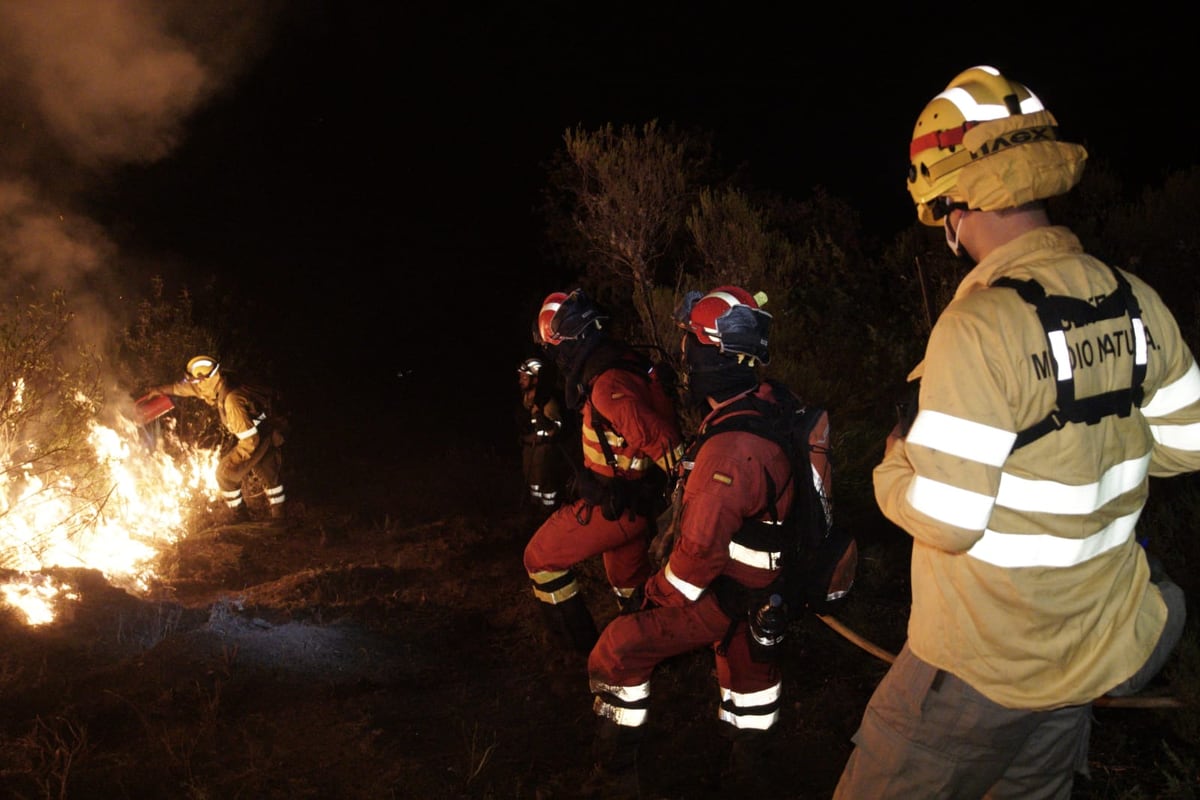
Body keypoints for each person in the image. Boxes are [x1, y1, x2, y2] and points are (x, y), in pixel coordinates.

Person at [834, 65, 1197, 799]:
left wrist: (891, 470)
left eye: (942, 212)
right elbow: (1188, 447)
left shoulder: (977, 327)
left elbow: (951, 519)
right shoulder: (1138, 302)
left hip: (979, 667)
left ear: (958, 200)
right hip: (1084, 656)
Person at [586, 286, 819, 796]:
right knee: (751, 694)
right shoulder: (770, 402)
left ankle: (616, 776)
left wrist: (649, 604)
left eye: (692, 343)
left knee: (618, 649)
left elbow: (695, 562)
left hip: (728, 593)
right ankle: (751, 770)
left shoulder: (730, 452)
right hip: (770, 587)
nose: (686, 356)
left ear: (712, 355)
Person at [523, 288, 684, 657]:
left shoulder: (606, 385)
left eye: (552, 348)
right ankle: (656, 658)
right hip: (632, 504)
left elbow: (665, 444)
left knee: (539, 559)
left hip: (617, 507)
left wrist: (682, 515)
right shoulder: (616, 362)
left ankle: (578, 653)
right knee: (629, 585)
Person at [144, 355, 288, 522]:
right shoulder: (219, 383)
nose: (195, 385)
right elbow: (184, 388)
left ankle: (240, 517)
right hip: (265, 429)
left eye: (198, 382)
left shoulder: (232, 402)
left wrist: (235, 461)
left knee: (224, 475)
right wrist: (160, 390)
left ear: (208, 379)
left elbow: (250, 441)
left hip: (259, 437)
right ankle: (280, 517)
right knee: (269, 475)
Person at [515, 356, 568, 513]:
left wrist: (542, 419)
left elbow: (556, 428)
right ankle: (534, 509)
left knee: (545, 483)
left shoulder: (547, 402)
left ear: (535, 379)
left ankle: (548, 513)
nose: (521, 381)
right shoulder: (525, 399)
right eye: (520, 377)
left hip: (543, 449)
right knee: (532, 481)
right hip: (529, 448)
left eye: (524, 377)